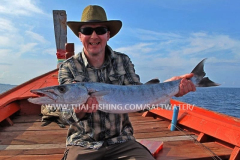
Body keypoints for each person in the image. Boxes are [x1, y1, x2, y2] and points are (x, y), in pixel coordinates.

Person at [59, 5, 196, 160]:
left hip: (121, 142)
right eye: (87, 31)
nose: (94, 36)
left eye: (101, 30)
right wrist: (79, 110)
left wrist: (171, 86)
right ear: (80, 35)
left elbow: (139, 98)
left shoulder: (122, 61)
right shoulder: (68, 67)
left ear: (108, 35)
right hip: (83, 144)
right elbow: (64, 116)